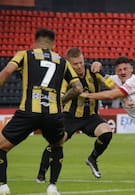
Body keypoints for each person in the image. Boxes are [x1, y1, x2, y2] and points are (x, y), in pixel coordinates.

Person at [0, 29, 83, 195]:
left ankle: (3, 186)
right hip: (53, 114)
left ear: (35, 42)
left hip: (28, 111)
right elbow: (78, 88)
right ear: (53, 44)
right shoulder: (62, 60)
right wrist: (61, 101)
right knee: (57, 145)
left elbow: (7, 72)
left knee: (1, 146)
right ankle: (52, 187)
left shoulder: (24, 54)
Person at [36, 47, 114, 183]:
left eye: (81, 62)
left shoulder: (93, 70)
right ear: (69, 64)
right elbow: (59, 99)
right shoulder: (64, 77)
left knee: (107, 132)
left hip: (91, 116)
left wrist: (102, 70)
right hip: (69, 117)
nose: (79, 66)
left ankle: (92, 159)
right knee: (56, 143)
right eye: (75, 64)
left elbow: (113, 86)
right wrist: (73, 92)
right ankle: (41, 174)